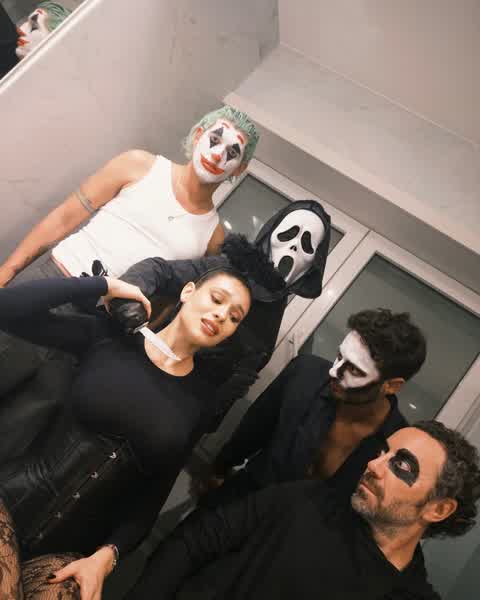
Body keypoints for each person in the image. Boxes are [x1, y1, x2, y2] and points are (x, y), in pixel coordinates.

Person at [0, 266, 251, 599]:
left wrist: (108, 556)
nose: (221, 315)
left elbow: (152, 495)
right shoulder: (111, 337)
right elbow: (8, 307)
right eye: (217, 299)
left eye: (234, 317)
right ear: (188, 291)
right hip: (10, 502)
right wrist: (102, 284)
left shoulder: (201, 402)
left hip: (69, 550)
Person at [126, 421, 480, 599]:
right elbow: (194, 542)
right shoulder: (307, 501)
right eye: (382, 453)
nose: (375, 465)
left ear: (439, 509)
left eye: (400, 465)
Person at [111, 200, 331, 418]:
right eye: (289, 233)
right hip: (148, 366)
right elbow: (159, 270)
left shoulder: (274, 312)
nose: (293, 247)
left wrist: (213, 410)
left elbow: (240, 377)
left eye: (307, 244)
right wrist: (129, 296)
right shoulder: (225, 270)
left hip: (182, 405)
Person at [0, 105, 259, 288]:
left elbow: (172, 296)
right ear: (199, 135)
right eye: (215, 139)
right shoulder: (139, 164)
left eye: (232, 152)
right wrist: (7, 271)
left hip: (101, 321)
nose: (218, 154)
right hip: (54, 277)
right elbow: (64, 218)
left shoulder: (214, 236)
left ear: (240, 168)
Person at [195, 308, 426, 508]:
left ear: (391, 385)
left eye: (354, 370)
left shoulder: (398, 442)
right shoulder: (305, 375)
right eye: (339, 356)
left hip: (299, 537)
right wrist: (219, 469)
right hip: (245, 497)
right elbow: (254, 427)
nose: (334, 371)